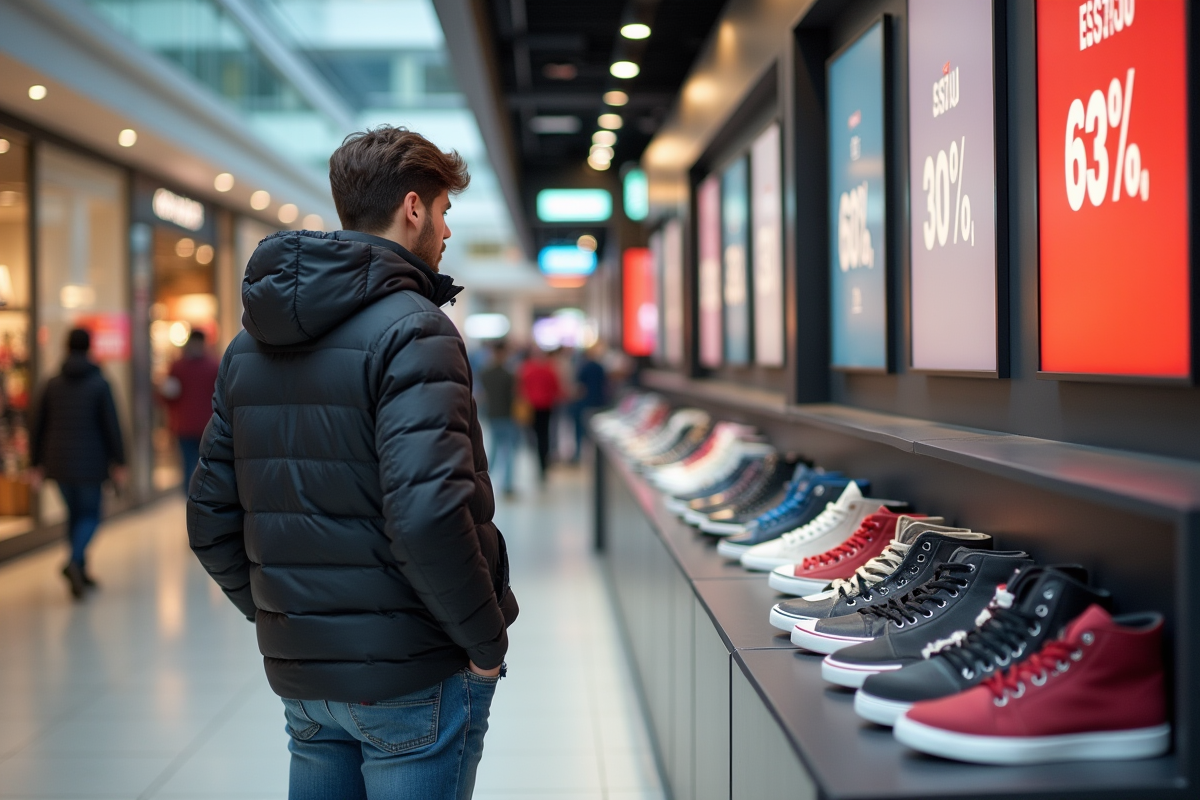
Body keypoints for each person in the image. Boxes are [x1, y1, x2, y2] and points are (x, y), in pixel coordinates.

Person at [186, 126, 518, 800]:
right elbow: (428, 516)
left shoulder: (249, 345)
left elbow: (208, 518)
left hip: (307, 682)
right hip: (413, 675)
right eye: (444, 210)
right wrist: (486, 645)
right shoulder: (415, 328)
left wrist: (295, 625)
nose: (447, 231)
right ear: (413, 207)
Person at [29, 328, 127, 599]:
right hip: (91, 463)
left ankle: (80, 572)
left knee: (74, 516)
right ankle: (74, 561)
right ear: (89, 348)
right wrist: (119, 461)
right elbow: (112, 425)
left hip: (58, 462)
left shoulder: (51, 383)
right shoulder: (99, 383)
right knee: (91, 515)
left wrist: (35, 463)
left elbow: (37, 425)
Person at [160, 329, 220, 488]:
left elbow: (168, 396)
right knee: (207, 464)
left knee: (188, 465)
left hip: (184, 425)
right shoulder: (214, 366)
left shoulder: (177, 366)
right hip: (208, 424)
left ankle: (190, 496)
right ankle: (205, 494)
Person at [478, 341, 518, 496]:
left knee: (494, 449)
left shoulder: (485, 373)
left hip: (492, 415)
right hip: (507, 415)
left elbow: (482, 396)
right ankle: (507, 484)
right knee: (508, 451)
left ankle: (485, 480)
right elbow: (513, 397)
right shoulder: (508, 375)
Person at [517, 348, 561, 482]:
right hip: (546, 406)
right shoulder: (549, 369)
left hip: (531, 406)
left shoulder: (526, 369)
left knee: (534, 435)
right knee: (544, 435)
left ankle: (538, 459)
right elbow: (555, 387)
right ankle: (543, 462)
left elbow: (520, 387)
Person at [570, 343, 608, 462]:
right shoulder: (599, 367)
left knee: (580, 430)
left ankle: (579, 454)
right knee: (595, 431)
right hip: (597, 402)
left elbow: (579, 387)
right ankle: (593, 457)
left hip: (585, 403)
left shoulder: (584, 367)